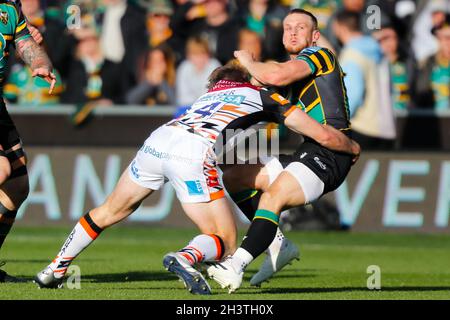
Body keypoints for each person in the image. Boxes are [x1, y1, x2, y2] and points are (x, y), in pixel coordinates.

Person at [35, 62, 359, 294]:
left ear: (216, 84)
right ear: (248, 80)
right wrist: (349, 145)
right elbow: (318, 133)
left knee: (108, 211)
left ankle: (55, 268)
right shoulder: (262, 95)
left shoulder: (205, 98)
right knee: (227, 241)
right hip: (192, 153)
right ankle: (185, 257)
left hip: (159, 140)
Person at [206, 9, 360, 292]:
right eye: (288, 27)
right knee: (236, 177)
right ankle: (278, 245)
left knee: (273, 197)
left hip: (330, 153)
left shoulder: (321, 55)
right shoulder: (286, 77)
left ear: (314, 36)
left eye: (300, 28)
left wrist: (249, 61)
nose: (292, 32)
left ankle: (235, 266)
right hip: (310, 150)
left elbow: (274, 73)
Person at [0, 0, 56, 282]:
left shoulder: (9, 10)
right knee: (1, 170)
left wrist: (41, 63)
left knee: (17, 185)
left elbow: (26, 43)